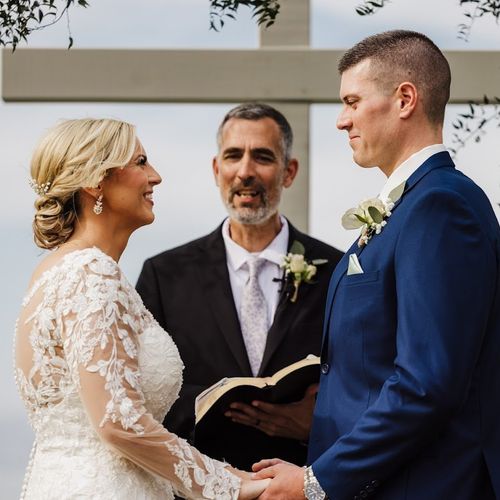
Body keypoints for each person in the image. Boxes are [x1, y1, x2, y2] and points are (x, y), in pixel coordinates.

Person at [253, 30, 500, 499]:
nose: (342, 121)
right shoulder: (412, 205)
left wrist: (315, 482)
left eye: (352, 101)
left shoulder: (440, 207)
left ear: (405, 99)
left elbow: (427, 384)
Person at [14, 118, 269, 499]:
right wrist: (230, 485)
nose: (156, 176)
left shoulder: (57, 270)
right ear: (95, 180)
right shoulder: (90, 273)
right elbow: (117, 422)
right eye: (140, 162)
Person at [136, 103, 343, 470]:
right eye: (233, 156)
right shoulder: (164, 275)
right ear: (217, 169)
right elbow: (141, 392)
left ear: (289, 171)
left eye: (262, 157)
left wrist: (319, 422)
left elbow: (364, 380)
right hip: (200, 486)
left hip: (303, 482)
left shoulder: (337, 272)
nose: (245, 171)